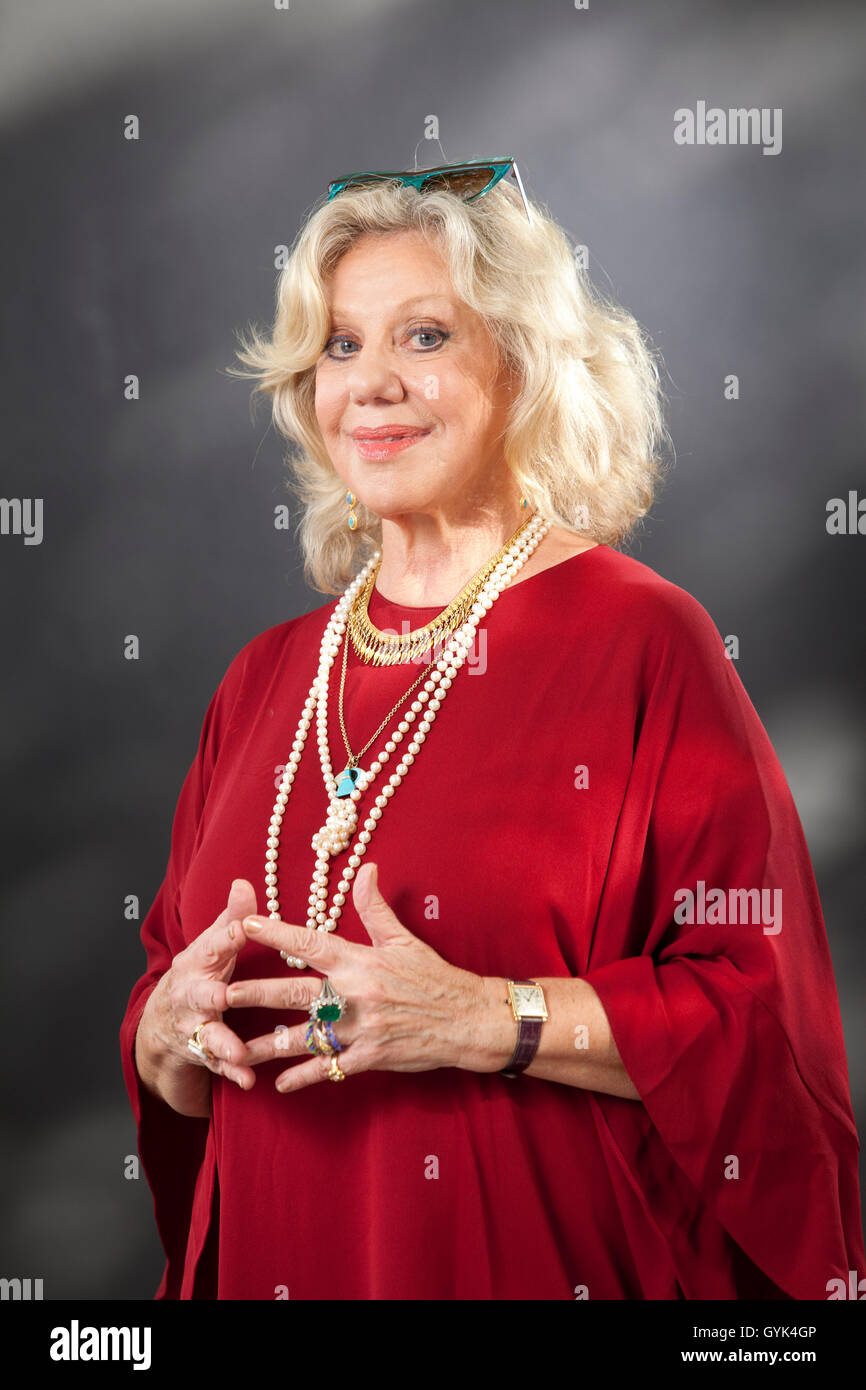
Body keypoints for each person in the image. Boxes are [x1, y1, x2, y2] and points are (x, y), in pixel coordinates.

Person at [121, 157, 864, 1300]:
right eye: (339, 344)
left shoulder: (645, 641)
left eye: (424, 338)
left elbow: (761, 1033)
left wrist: (481, 1016)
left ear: (519, 367)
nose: (370, 383)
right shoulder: (265, 675)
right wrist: (165, 1035)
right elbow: (166, 1007)